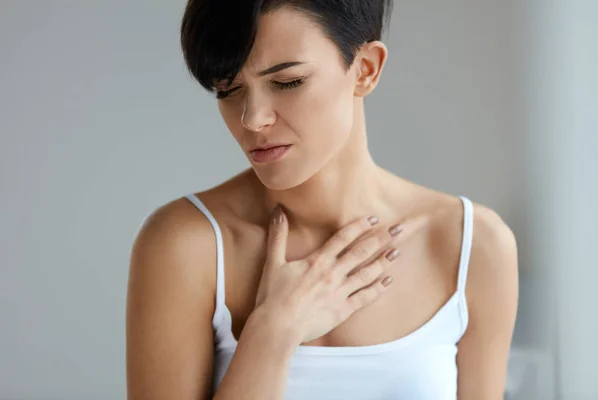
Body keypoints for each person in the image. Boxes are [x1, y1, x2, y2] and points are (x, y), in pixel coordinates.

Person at [125, 0, 519, 399]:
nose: (252, 118)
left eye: (287, 81)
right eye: (228, 90)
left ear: (366, 69)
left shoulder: (473, 245)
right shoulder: (186, 245)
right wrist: (273, 331)